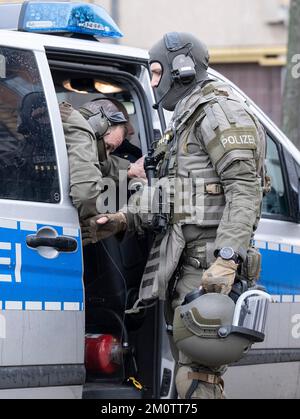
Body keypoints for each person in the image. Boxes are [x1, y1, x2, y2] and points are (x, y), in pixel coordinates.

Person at [81, 32, 266, 399]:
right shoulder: (185, 122)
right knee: (188, 370)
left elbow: (245, 189)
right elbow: (172, 196)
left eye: (154, 72)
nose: (152, 83)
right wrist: (122, 218)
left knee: (198, 376)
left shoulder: (219, 112)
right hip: (184, 263)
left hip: (209, 267)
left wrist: (227, 258)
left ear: (181, 69)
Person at [60, 98, 145, 221]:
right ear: (97, 126)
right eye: (107, 147)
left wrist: (130, 168)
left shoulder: (67, 126)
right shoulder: (81, 131)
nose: (106, 154)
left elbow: (101, 161)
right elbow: (85, 196)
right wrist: (112, 220)